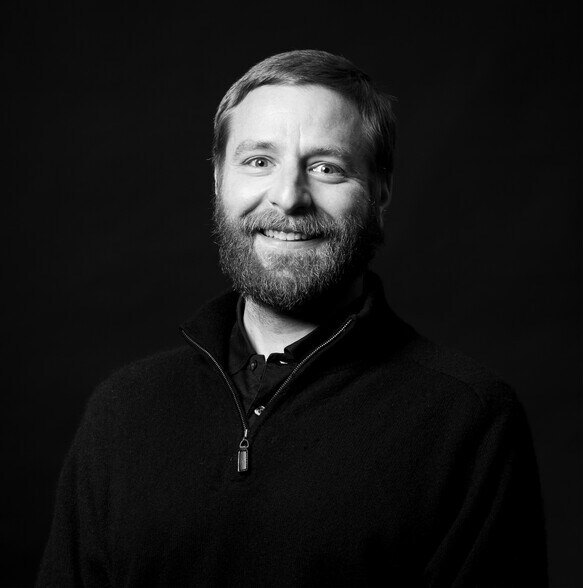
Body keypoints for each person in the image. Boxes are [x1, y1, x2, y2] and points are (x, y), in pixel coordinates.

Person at [37, 49, 548, 587]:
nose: (288, 197)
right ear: (219, 180)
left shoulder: (469, 421)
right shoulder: (123, 411)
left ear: (381, 192)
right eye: (259, 161)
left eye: (326, 168)